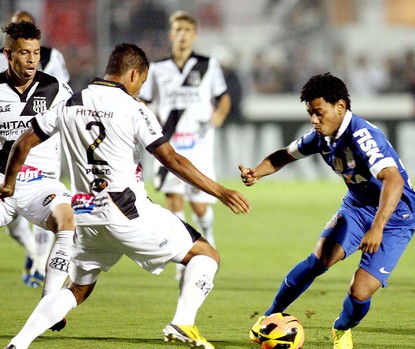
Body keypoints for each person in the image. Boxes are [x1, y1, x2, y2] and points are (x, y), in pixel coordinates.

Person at [2, 43, 251, 349]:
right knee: (206, 254)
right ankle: (182, 323)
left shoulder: (69, 102)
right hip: (126, 210)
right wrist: (221, 190)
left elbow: (22, 143)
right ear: (133, 74)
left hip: (85, 215)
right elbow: (170, 158)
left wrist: (9, 183)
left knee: (77, 289)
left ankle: (19, 343)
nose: (140, 90)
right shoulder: (133, 108)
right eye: (141, 83)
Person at [240, 73, 415, 349]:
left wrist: (378, 227)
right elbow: (284, 155)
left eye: (318, 113)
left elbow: (393, 179)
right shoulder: (321, 137)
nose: (314, 120)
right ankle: (269, 317)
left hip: (395, 216)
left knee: (359, 293)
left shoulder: (362, 136)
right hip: (357, 207)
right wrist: (257, 173)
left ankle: (342, 328)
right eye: (310, 113)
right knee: (319, 259)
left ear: (341, 106)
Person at [139, 12, 230, 277]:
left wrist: (220, 115)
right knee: (174, 200)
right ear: (171, 34)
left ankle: (208, 238)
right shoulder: (157, 68)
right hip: (168, 144)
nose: (182, 34)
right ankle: (184, 254)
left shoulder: (207, 65)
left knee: (200, 204)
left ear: (194, 34)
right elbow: (142, 100)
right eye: (178, 30)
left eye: (187, 30)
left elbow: (223, 98)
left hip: (199, 144)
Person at [0, 21, 75, 301]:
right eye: (23, 53)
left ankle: (49, 299)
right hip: (3, 183)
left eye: (35, 53)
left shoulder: (55, 90)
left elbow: (77, 126)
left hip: (41, 183)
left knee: (67, 221)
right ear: (8, 55)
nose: (32, 60)